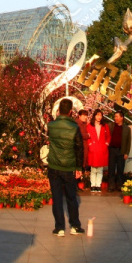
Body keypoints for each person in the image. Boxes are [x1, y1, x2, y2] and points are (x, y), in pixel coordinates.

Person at [46, 98, 85, 236]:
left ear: (58, 111)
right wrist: (79, 168)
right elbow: (79, 149)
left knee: (56, 198)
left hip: (54, 166)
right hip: (69, 167)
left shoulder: (51, 126)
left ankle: (60, 228)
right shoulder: (75, 128)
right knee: (71, 198)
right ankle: (75, 226)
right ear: (70, 111)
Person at [107, 110, 131, 192]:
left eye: (117, 117)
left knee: (120, 169)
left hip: (121, 151)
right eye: (115, 116)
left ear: (122, 118)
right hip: (112, 150)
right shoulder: (110, 126)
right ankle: (111, 186)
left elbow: (128, 142)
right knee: (111, 169)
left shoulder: (127, 129)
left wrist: (126, 153)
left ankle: (120, 185)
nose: (115, 118)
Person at [86, 109, 110, 192]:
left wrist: (106, 144)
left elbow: (108, 137)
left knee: (100, 169)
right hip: (93, 149)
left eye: (100, 115)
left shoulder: (105, 125)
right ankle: (93, 185)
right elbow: (87, 137)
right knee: (93, 169)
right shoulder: (89, 126)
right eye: (97, 115)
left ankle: (98, 185)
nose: (99, 117)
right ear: (94, 116)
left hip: (102, 149)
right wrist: (90, 145)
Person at [77, 109, 90, 189]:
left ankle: (79, 184)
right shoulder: (77, 123)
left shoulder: (85, 124)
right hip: (80, 148)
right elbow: (81, 135)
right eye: (84, 115)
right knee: (79, 166)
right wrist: (88, 135)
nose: (85, 117)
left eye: (86, 115)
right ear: (79, 116)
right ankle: (77, 184)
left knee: (82, 166)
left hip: (84, 147)